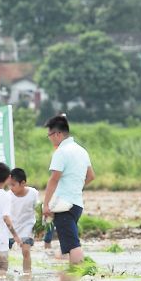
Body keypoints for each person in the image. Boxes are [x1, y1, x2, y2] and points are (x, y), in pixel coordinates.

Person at [42, 114, 95, 265]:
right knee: (67, 244)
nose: (50, 139)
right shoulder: (82, 151)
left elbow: (54, 179)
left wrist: (46, 205)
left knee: (73, 245)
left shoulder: (61, 152)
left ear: (57, 134)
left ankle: (79, 272)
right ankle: (71, 275)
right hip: (77, 204)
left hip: (63, 205)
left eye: (49, 135)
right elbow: (91, 176)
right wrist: (76, 188)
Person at [8, 167, 40, 276]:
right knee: (1, 253)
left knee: (26, 251)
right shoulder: (8, 196)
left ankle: (27, 274)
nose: (11, 188)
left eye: (13, 185)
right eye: (9, 185)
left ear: (23, 183)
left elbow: (38, 210)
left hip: (27, 226)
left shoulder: (33, 193)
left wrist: (40, 226)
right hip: (10, 227)